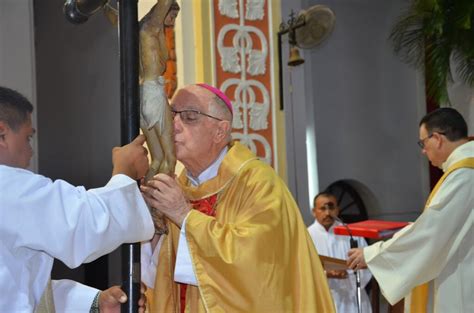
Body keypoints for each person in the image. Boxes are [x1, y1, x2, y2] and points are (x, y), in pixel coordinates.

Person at [140, 83, 335, 312]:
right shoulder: (178, 188)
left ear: (220, 131)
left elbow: (258, 268)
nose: (174, 126)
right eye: (172, 115)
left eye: (190, 117)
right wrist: (152, 230)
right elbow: (160, 275)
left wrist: (183, 215)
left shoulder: (258, 183)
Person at [0, 85, 154, 312]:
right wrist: (125, 172)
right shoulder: (8, 186)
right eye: (27, 138)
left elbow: (17, 281)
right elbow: (84, 225)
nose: (30, 152)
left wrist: (94, 303)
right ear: (2, 133)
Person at [347, 108, 473, 312]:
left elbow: (430, 233)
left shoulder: (463, 175)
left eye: (423, 143)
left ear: (438, 139)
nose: (423, 150)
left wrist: (372, 255)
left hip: (462, 284)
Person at [308, 192, 372, 313]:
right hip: (322, 297)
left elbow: (367, 264)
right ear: (314, 211)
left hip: (352, 298)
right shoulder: (306, 237)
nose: (327, 213)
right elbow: (301, 269)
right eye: (322, 208)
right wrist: (326, 273)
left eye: (331, 207)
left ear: (337, 209)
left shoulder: (351, 233)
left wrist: (349, 275)